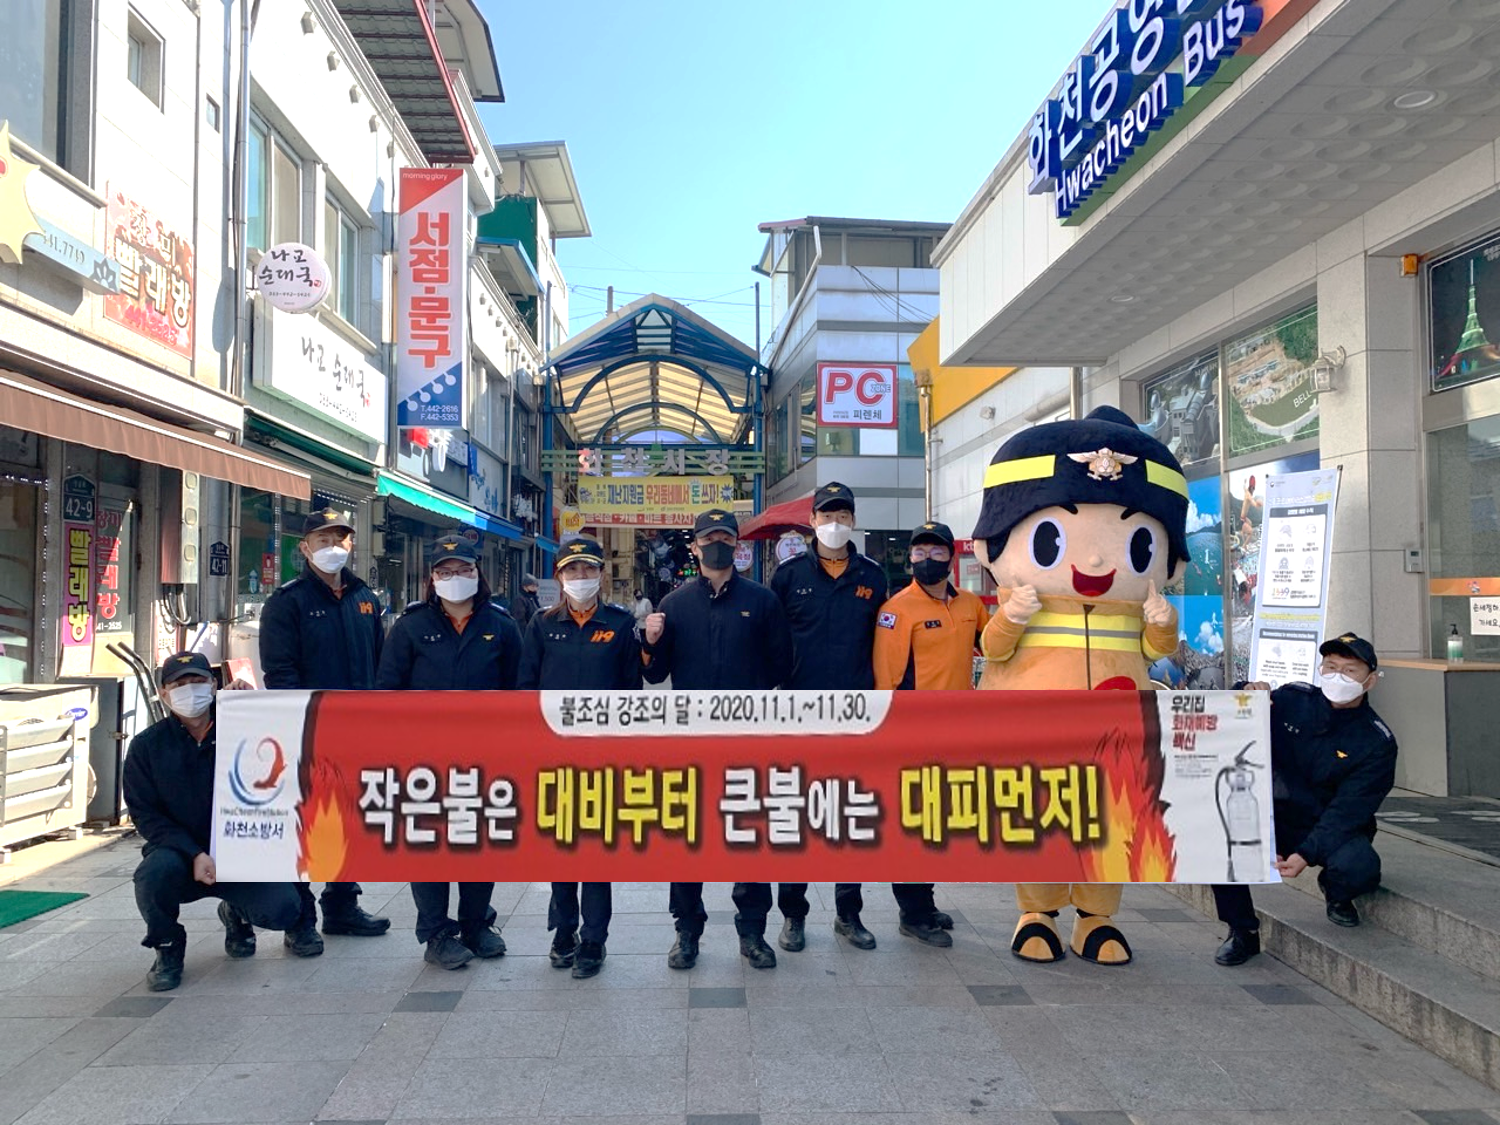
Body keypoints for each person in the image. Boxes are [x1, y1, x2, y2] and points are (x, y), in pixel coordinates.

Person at [642, 508, 793, 970]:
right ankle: (687, 931)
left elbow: (781, 664)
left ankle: (753, 932)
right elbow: (656, 674)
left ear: (737, 545)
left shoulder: (762, 601)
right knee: (690, 839)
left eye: (726, 538)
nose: (717, 546)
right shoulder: (674, 604)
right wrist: (650, 642)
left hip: (749, 740)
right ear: (695, 546)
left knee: (749, 836)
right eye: (709, 539)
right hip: (691, 742)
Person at [376, 533, 523, 969]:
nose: (455, 577)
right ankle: (437, 932)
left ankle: (476, 925)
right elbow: (387, 691)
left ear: (478, 574)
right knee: (428, 842)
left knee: (479, 840)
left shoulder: (501, 625)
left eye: (463, 569)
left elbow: (519, 691)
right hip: (423, 758)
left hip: (486, 756)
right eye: (446, 571)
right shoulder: (411, 626)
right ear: (432, 577)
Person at [1211, 633, 1398, 966]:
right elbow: (1232, 711)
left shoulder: (1376, 741)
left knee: (1359, 868)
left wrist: (1306, 854)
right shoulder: (1292, 700)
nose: (1338, 677)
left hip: (1328, 823)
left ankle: (1336, 893)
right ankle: (1242, 932)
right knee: (1217, 841)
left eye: (1350, 670)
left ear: (1369, 681)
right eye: (1331, 667)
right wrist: (1246, 690)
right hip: (1276, 814)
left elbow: (1349, 811)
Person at [125, 653, 305, 992]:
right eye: (179, 684)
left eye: (198, 681)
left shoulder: (240, 730)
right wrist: (194, 853)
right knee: (152, 876)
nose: (190, 690)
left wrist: (254, 706)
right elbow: (146, 815)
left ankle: (235, 912)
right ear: (163, 693)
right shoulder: (146, 747)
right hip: (180, 854)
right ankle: (167, 947)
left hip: (241, 850)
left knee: (283, 910)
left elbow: (286, 754)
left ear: (213, 685)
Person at [258, 507, 390, 952]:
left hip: (359, 730)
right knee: (305, 822)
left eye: (340, 539)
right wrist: (298, 723)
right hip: (308, 730)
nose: (333, 548)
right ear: (305, 547)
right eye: (323, 540)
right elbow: (280, 672)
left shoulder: (364, 597)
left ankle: (342, 905)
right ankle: (300, 918)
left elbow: (379, 662)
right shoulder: (288, 602)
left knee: (348, 820)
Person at [769, 482, 892, 952]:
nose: (834, 523)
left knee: (848, 816)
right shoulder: (788, 576)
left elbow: (887, 641)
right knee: (796, 817)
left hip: (855, 714)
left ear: (853, 521)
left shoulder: (873, 577)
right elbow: (773, 640)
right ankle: (793, 915)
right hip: (799, 712)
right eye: (826, 515)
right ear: (812, 521)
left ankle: (848, 913)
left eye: (843, 515)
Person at [518, 536, 642, 979]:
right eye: (572, 570)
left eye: (589, 569)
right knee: (561, 848)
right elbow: (526, 688)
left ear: (601, 575)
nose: (581, 577)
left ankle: (593, 938)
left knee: (595, 851)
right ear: (559, 577)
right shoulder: (541, 625)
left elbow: (632, 692)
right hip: (553, 757)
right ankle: (563, 930)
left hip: (602, 757)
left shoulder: (620, 624)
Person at [870, 520, 989, 948]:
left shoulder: (971, 605)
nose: (926, 559)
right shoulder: (897, 609)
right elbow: (886, 678)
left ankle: (926, 900)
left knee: (938, 819)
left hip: (956, 730)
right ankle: (912, 912)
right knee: (914, 821)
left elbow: (993, 647)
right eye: (918, 552)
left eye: (936, 551)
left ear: (951, 558)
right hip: (913, 731)